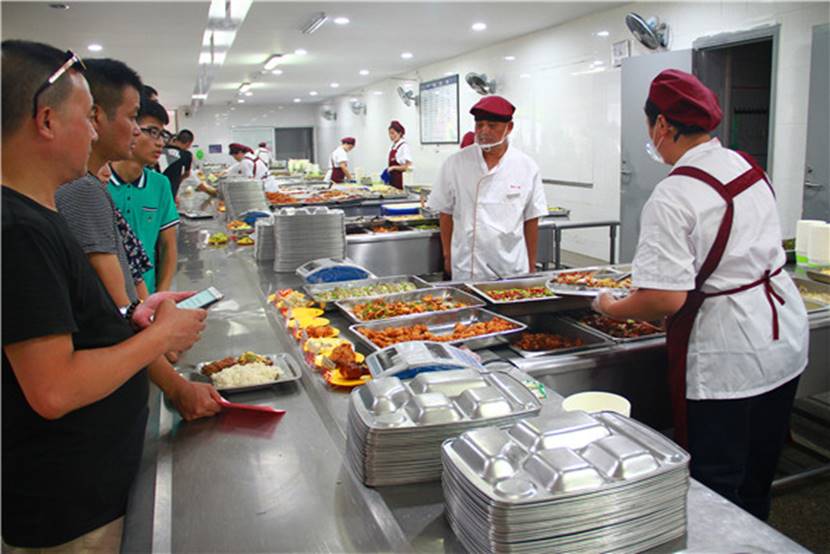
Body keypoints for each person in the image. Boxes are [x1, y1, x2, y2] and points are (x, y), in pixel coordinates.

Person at [1, 39, 206, 551]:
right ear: (47, 121)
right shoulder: (18, 230)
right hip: (68, 506)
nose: (94, 131)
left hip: (94, 483)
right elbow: (53, 390)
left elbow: (70, 324)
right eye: (86, 117)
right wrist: (159, 337)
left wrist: (131, 317)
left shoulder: (40, 214)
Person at [593, 69, 808, 521]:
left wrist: (609, 306)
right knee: (758, 471)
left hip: (728, 353)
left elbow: (664, 299)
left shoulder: (674, 194)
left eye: (649, 125)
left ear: (662, 125)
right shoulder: (747, 165)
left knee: (716, 482)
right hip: (783, 336)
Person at [55, 58, 220, 422]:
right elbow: (121, 316)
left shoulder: (91, 189)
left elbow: (129, 304)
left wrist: (152, 310)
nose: (138, 133)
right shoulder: (79, 193)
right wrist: (170, 364)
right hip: (97, 414)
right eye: (134, 120)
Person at [427, 95, 548, 280]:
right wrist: (447, 256)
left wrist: (531, 266)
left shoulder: (526, 167)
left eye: (492, 125)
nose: (484, 131)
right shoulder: (456, 163)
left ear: (509, 127)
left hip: (510, 266)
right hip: (467, 266)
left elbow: (531, 218)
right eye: (479, 125)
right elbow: (445, 212)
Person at [109, 99, 180, 293]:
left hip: (146, 295)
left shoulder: (160, 184)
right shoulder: (98, 183)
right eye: (152, 132)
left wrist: (161, 295)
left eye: (163, 135)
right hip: (104, 299)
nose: (160, 143)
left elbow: (168, 246)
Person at [161, 128, 194, 198]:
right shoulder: (187, 155)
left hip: (155, 187)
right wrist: (178, 180)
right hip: (170, 191)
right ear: (188, 143)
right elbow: (187, 174)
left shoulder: (161, 150)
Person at [386, 120, 412, 189]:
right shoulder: (393, 146)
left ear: (400, 133)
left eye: (393, 133)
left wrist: (393, 167)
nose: (391, 136)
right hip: (392, 180)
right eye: (389, 133)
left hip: (400, 181)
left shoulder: (404, 146)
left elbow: (407, 166)